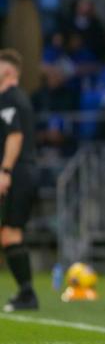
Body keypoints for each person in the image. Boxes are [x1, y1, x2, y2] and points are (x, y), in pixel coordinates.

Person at [0, 50, 40, 312]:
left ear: (8, 71)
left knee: (10, 232)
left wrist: (5, 171)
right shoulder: (15, 99)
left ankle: (27, 294)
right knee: (9, 233)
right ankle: (26, 293)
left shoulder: (10, 99)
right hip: (22, 172)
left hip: (17, 173)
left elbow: (15, 137)